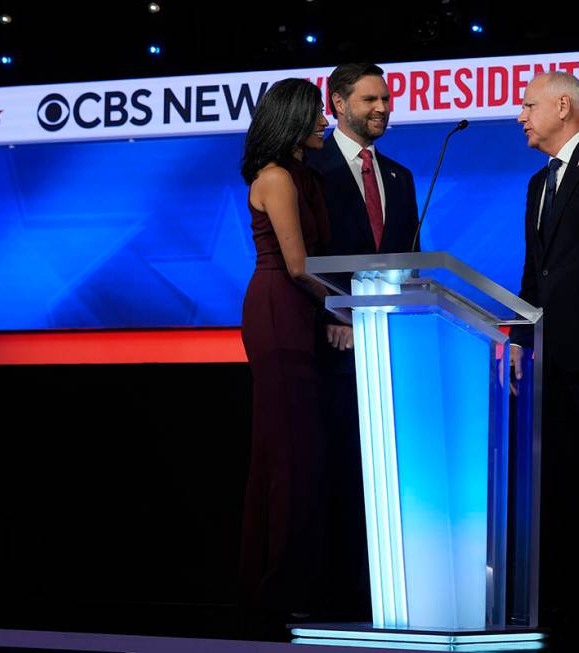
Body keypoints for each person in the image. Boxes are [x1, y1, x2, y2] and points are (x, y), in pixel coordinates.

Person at [302, 62, 420, 620]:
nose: (382, 109)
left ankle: (381, 593)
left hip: (391, 345)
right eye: (371, 99)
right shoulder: (311, 168)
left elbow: (411, 259)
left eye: (387, 99)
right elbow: (301, 255)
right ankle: (329, 592)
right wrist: (335, 310)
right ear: (338, 103)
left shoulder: (399, 175)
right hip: (330, 344)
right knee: (334, 469)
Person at [511, 71, 579, 627]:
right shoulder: (537, 183)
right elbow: (536, 271)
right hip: (546, 356)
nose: (520, 115)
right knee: (555, 476)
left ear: (563, 105)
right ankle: (558, 596)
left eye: (528, 105)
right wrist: (516, 335)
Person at [237, 77, 339, 619]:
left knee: (303, 451)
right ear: (293, 121)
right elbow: (299, 266)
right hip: (279, 308)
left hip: (299, 309)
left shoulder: (304, 175)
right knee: (286, 452)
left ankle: (295, 583)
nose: (324, 121)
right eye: (316, 114)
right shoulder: (276, 177)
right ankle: (276, 588)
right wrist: (346, 308)